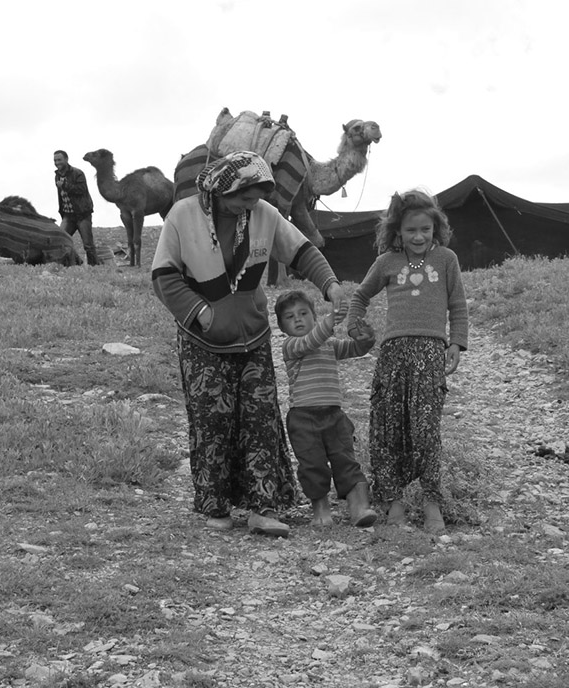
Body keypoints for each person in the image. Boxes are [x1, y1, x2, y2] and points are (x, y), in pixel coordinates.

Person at [151, 151, 346, 537]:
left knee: (260, 421)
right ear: (223, 190)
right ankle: (216, 505)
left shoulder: (263, 215)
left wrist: (330, 283)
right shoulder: (183, 216)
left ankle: (264, 506)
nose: (250, 205)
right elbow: (163, 275)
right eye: (244, 197)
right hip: (202, 340)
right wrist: (200, 311)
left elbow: (300, 250)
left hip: (252, 337)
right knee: (212, 422)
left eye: (257, 198)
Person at [346, 190, 468, 534]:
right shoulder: (387, 262)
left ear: (435, 229)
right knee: (388, 429)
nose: (418, 237)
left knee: (426, 429)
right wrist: (355, 321)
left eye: (425, 230)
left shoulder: (446, 259)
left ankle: (431, 500)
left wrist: (457, 343)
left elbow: (458, 305)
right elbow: (361, 294)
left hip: (430, 354)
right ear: (397, 231)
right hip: (393, 355)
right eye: (410, 230)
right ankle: (393, 501)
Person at [275, 289, 378, 528]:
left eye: (303, 313)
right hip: (303, 417)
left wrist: (366, 339)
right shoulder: (291, 346)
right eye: (290, 317)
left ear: (313, 315)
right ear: (282, 327)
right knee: (312, 464)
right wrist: (330, 321)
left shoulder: (329, 345)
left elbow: (355, 349)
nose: (298, 319)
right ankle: (321, 508)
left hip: (334, 415)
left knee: (345, 459)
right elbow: (311, 341)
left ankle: (359, 506)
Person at [53, 149, 99, 265]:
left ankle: (94, 267)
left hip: (82, 214)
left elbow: (81, 190)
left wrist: (65, 185)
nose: (57, 162)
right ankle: (72, 263)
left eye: (59, 160)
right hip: (68, 215)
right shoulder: (57, 175)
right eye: (55, 160)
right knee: (60, 240)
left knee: (88, 244)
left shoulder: (77, 173)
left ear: (66, 160)